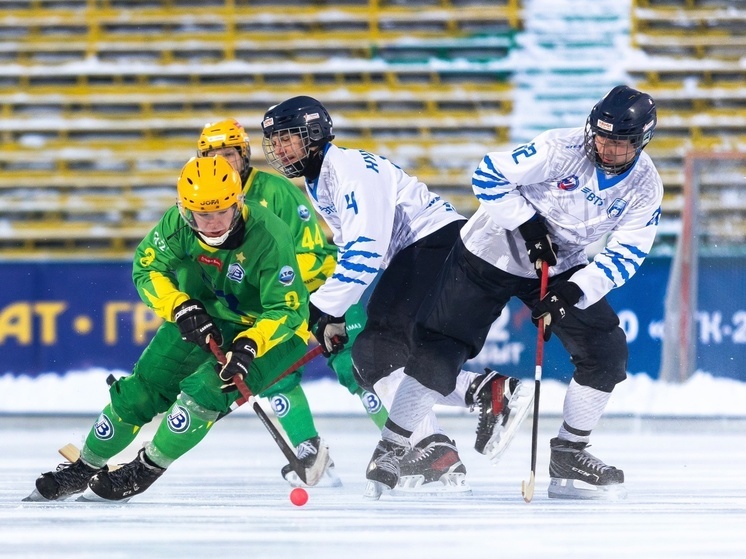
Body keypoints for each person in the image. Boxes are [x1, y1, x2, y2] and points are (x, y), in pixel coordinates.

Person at [377, 85, 662, 500]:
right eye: (600, 136)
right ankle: (392, 447)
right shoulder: (559, 147)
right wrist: (527, 225)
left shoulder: (646, 187)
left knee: (606, 351)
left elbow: (628, 253)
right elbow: (487, 175)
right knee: (441, 350)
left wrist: (573, 293)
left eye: (618, 143)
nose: (604, 147)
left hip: (559, 267)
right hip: (489, 250)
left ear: (640, 141)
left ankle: (569, 454)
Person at [260, 96, 531, 498]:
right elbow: (360, 246)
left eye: (287, 139)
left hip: (431, 247)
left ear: (314, 135)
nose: (279, 150)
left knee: (374, 354)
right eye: (274, 142)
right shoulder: (323, 179)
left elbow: (367, 249)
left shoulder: (346, 169)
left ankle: (472, 408)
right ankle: (451, 432)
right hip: (432, 250)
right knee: (389, 359)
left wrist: (322, 309)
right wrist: (332, 314)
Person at [26, 155, 320, 502]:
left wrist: (249, 345)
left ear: (238, 202)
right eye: (202, 214)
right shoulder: (176, 225)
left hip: (274, 331)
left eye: (222, 212)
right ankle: (83, 467)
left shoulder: (270, 236)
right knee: (141, 388)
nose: (212, 223)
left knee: (205, 390)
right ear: (185, 210)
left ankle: (146, 467)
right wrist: (179, 306)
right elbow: (147, 268)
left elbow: (285, 309)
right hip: (206, 314)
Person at [193, 119, 388, 487]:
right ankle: (310, 451)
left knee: (359, 366)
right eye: (213, 155)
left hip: (320, 290)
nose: (223, 162)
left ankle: (405, 444)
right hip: (269, 303)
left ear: (244, 155)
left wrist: (280, 286)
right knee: (274, 377)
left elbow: (311, 251)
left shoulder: (276, 192)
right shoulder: (205, 200)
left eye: (229, 154)